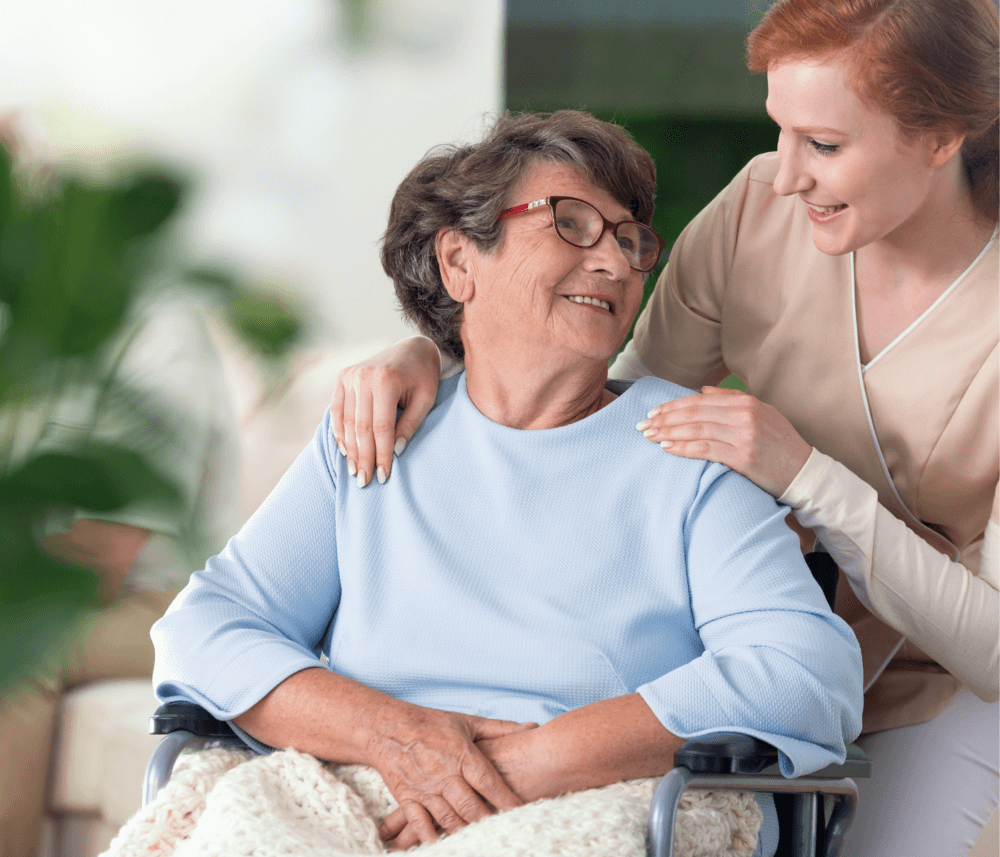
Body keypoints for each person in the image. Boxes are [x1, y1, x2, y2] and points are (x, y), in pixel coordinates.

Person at [325, 1, 999, 854]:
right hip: (734, 645)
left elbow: (994, 652)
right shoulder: (761, 211)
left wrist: (805, 476)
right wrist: (438, 353)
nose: (786, 174)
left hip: (934, 681)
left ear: (943, 137)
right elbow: (605, 402)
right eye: (780, 131)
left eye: (824, 145)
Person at [152, 110, 863, 855]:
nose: (617, 264)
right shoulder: (376, 431)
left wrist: (535, 760)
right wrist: (398, 737)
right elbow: (202, 629)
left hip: (594, 800)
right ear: (460, 262)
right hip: (364, 793)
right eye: (573, 223)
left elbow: (805, 670)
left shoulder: (686, 448)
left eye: (629, 240)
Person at [0, 293, 239, 857]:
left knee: (17, 651)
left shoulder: (160, 334)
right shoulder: (34, 322)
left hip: (165, 601)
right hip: (47, 590)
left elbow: (106, 555)